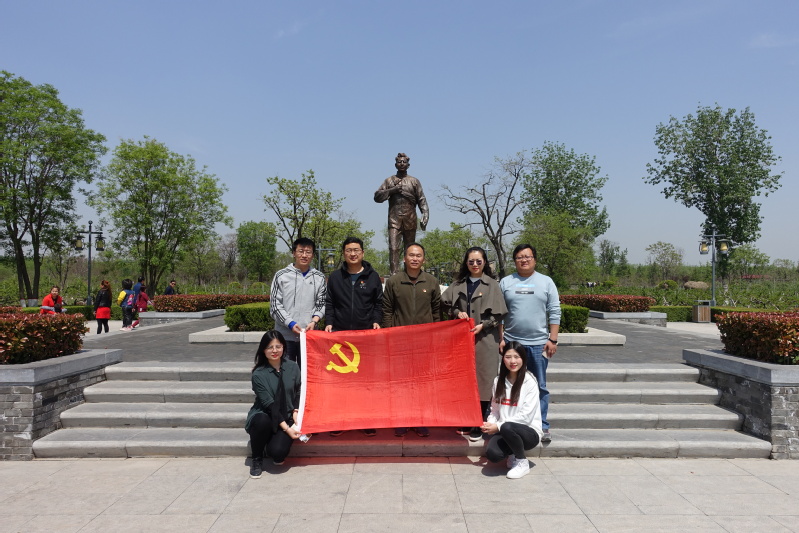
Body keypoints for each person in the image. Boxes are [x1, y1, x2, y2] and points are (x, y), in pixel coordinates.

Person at [441, 247, 508, 441]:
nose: (475, 264)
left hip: (485, 339)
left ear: (485, 262)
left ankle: (479, 421)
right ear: (466, 263)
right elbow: (444, 303)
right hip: (462, 340)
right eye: (471, 261)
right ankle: (466, 418)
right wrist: (456, 312)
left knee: (484, 380)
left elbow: (500, 314)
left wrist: (484, 325)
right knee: (464, 379)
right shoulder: (458, 284)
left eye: (479, 261)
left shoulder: (492, 285)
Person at [499, 244, 560, 443]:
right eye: (519, 257)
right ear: (514, 260)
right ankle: (509, 423)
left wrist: (552, 339)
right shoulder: (506, 282)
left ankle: (542, 425)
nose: (524, 260)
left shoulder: (546, 282)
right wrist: (501, 338)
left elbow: (555, 311)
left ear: (534, 259)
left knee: (539, 385)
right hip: (512, 343)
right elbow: (500, 314)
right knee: (510, 384)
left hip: (538, 344)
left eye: (527, 256)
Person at [324, 236, 383, 437]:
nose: (353, 253)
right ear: (344, 253)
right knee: (341, 382)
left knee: (365, 382)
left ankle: (365, 419)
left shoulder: (373, 277)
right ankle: (340, 419)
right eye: (349, 250)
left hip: (364, 338)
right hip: (340, 338)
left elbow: (378, 303)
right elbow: (330, 303)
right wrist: (329, 322)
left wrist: (376, 321)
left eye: (356, 250)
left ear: (363, 253)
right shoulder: (335, 277)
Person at [382, 242, 441, 437]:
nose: (415, 258)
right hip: (400, 342)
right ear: (404, 258)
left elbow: (436, 312)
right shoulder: (394, 282)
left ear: (424, 259)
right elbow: (387, 310)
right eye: (411, 255)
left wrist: (435, 336)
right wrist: (389, 335)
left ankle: (420, 419)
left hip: (424, 342)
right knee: (402, 383)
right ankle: (402, 418)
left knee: (422, 383)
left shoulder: (431, 282)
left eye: (418, 255)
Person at [245, 330, 302, 478]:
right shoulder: (258, 374)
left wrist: (295, 411)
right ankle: (257, 458)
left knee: (278, 454)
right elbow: (270, 406)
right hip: (266, 414)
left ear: (284, 347)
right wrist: (287, 429)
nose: (274, 351)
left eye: (278, 346)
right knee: (262, 421)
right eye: (270, 347)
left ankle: (269, 441)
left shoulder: (293, 367)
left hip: (286, 414)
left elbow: (299, 390)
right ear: (263, 350)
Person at [481, 341, 543, 479]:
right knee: (493, 454)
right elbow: (495, 410)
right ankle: (512, 454)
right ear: (503, 359)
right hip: (505, 430)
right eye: (508, 357)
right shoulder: (498, 381)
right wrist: (490, 423)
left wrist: (498, 426)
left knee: (507, 426)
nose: (513, 361)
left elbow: (526, 416)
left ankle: (522, 462)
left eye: (516, 357)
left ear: (523, 359)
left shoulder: (529, 381)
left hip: (528, 432)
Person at [269, 237, 326, 368]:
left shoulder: (319, 277)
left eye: (308, 252)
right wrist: (290, 323)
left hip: (309, 336)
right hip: (284, 337)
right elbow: (275, 306)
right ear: (294, 253)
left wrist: (314, 321)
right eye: (301, 251)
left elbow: (322, 303)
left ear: (313, 255)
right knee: (284, 373)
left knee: (307, 374)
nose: (304, 255)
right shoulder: (281, 276)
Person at [374, 153, 430, 275]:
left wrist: (425, 214)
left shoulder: (414, 181)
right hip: (394, 220)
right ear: (395, 165)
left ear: (408, 165)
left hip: (410, 219)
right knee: (394, 248)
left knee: (409, 250)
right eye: (399, 162)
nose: (402, 164)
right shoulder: (389, 181)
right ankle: (394, 275)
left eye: (404, 162)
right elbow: (377, 197)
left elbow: (421, 199)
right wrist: (392, 190)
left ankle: (409, 274)